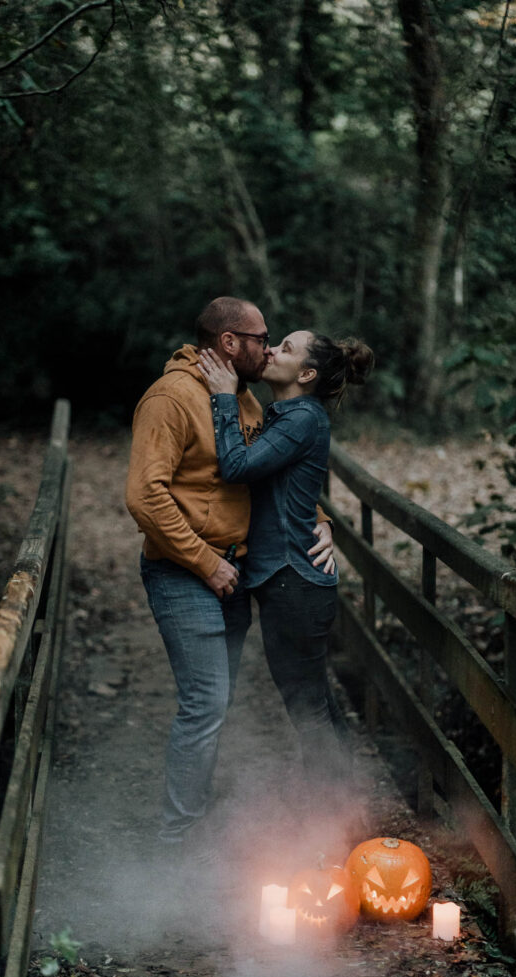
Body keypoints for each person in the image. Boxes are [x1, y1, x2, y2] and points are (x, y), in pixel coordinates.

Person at [125, 297, 334, 851]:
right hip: (185, 571)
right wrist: (206, 562)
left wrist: (321, 519)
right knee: (206, 701)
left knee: (214, 700)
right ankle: (177, 838)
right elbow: (145, 498)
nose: (268, 347)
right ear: (229, 342)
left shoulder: (240, 398)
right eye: (262, 337)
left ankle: (198, 811)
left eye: (276, 341)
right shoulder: (170, 398)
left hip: (232, 572)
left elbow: (271, 474)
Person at [198, 328, 374, 846]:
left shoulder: (300, 417)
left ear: (307, 375)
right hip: (293, 578)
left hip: (294, 581)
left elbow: (236, 466)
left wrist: (224, 399)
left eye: (287, 349)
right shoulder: (290, 416)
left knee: (307, 707)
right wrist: (324, 521)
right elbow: (286, 490)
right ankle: (349, 809)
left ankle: (335, 824)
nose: (272, 350)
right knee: (314, 700)